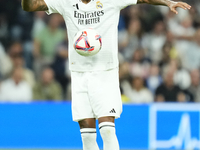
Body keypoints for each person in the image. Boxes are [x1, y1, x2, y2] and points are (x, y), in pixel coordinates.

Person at [21, 0, 191, 149]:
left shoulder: (111, 1)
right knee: (87, 136)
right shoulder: (67, 2)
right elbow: (31, 5)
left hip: (105, 72)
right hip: (79, 74)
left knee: (107, 130)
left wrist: (167, 2)